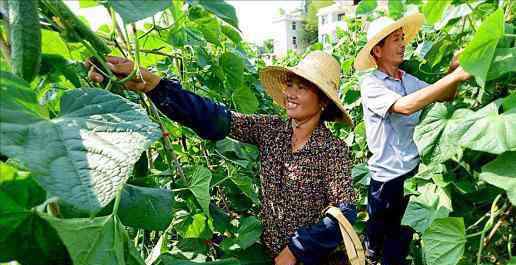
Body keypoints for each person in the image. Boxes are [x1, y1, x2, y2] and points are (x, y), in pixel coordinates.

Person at [87, 51, 358, 265]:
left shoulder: (331, 150)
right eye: (290, 85)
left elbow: (343, 213)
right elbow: (216, 118)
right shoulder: (271, 131)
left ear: (322, 101)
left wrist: (298, 249)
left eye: (302, 88)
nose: (290, 94)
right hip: (271, 253)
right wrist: (153, 85)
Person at [354, 13, 472, 265]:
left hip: (412, 174)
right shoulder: (372, 84)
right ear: (377, 50)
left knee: (397, 246)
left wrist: (452, 69)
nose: (402, 44)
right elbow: (405, 106)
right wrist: (453, 77)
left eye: (402, 38)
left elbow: (445, 96)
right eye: (395, 39)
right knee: (377, 241)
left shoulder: (407, 79)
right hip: (386, 179)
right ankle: (370, 251)